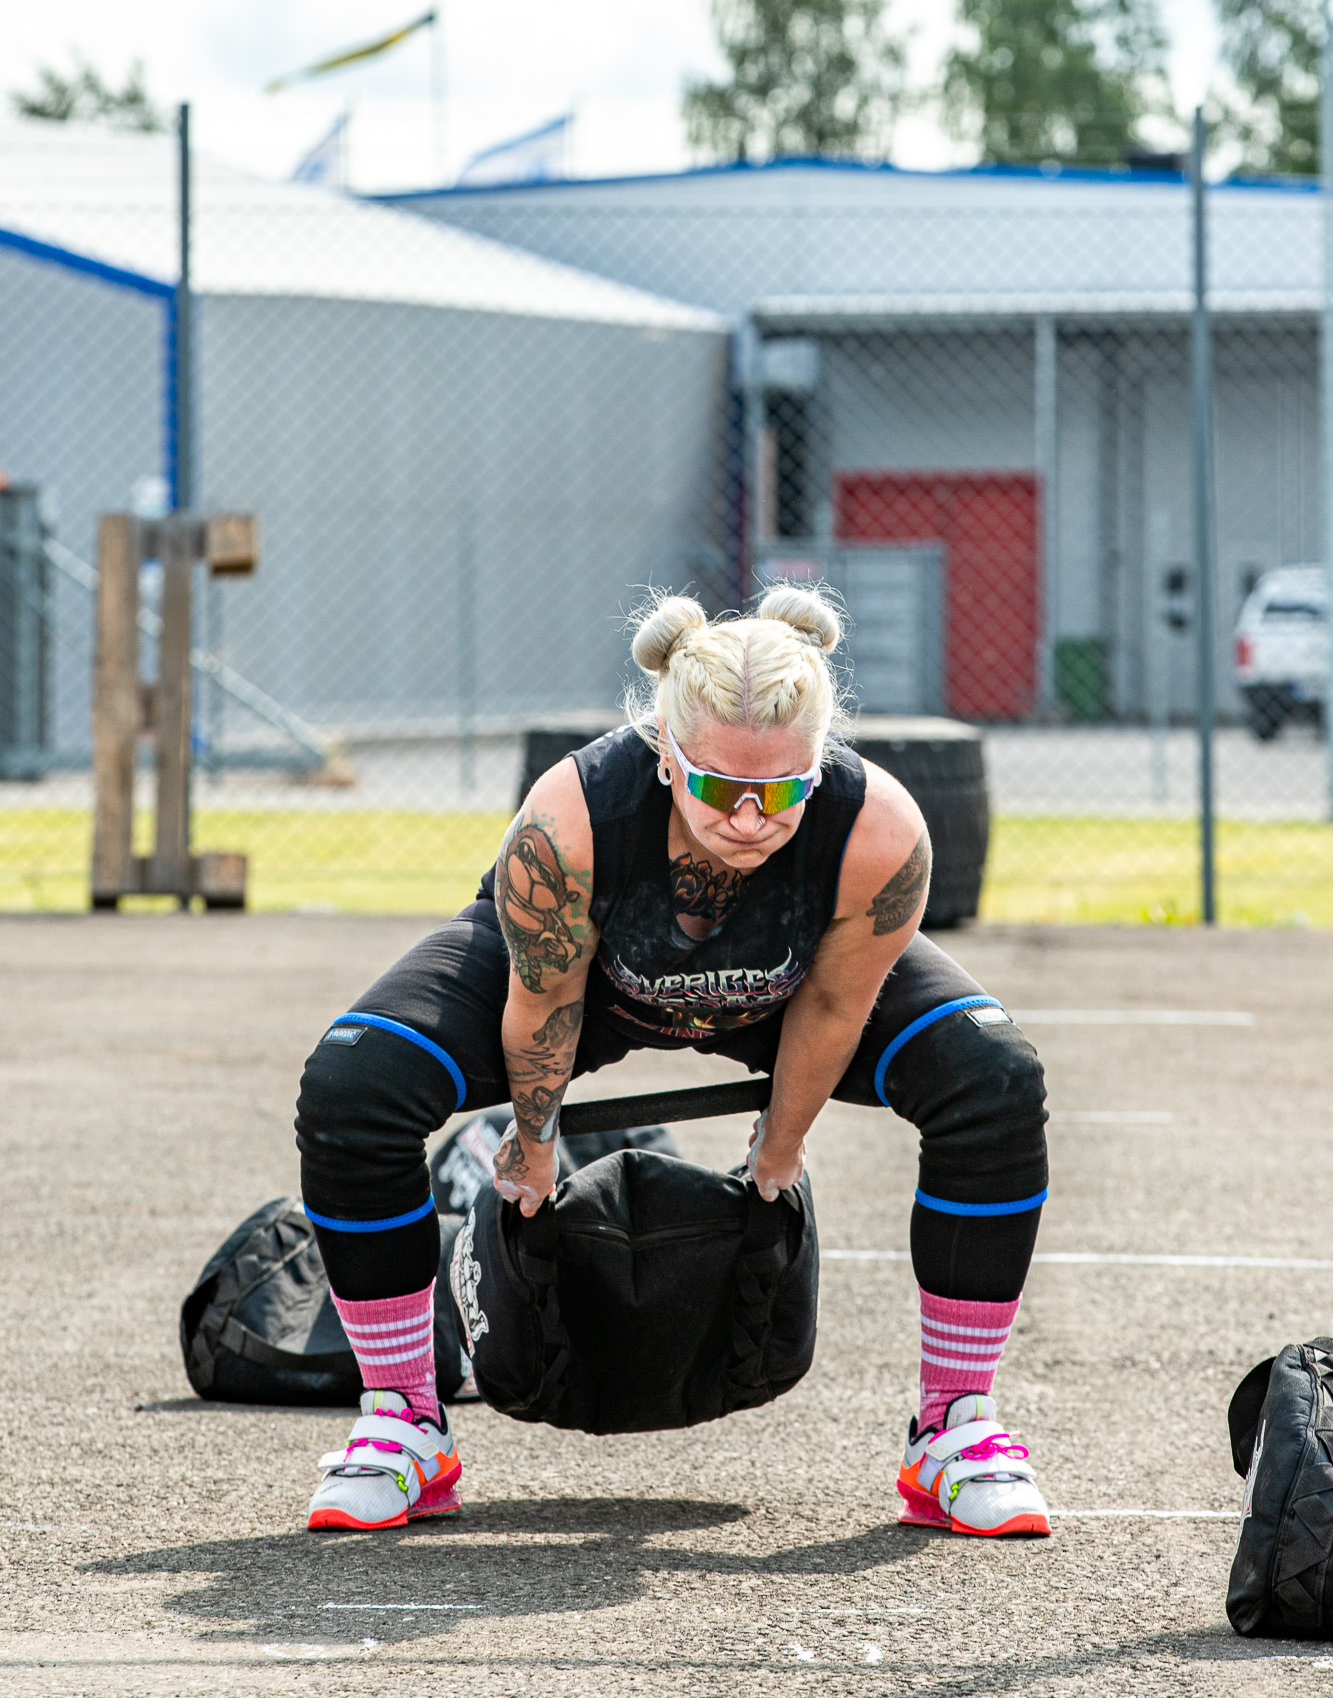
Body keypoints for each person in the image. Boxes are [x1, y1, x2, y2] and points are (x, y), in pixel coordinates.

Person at [296, 588, 1050, 1536]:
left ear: (818, 760)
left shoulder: (878, 830)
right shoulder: (571, 818)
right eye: (718, 786)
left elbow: (832, 1003)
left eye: (783, 790)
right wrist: (534, 1144)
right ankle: (403, 1422)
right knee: (351, 1085)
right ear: (664, 750)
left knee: (994, 1079)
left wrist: (779, 1147)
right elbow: (545, 999)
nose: (750, 817)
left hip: (782, 990)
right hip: (586, 986)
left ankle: (953, 1429)